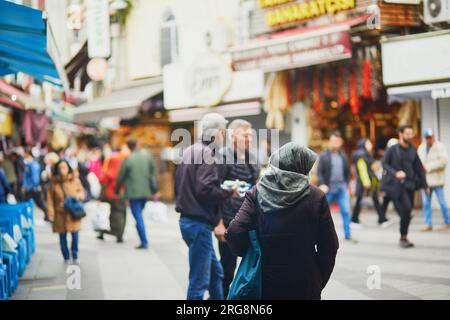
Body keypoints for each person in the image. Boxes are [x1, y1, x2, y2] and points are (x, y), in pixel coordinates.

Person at [226, 143, 339, 300]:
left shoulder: (257, 192)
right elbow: (329, 246)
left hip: (265, 280)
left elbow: (234, 231)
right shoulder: (316, 196)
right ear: (302, 167)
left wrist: (250, 252)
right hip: (305, 282)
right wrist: (318, 279)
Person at [175, 113, 238, 300]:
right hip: (197, 223)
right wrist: (229, 192)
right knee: (199, 282)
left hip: (191, 221)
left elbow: (184, 184)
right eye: (223, 132)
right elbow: (205, 189)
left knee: (216, 274)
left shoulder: (191, 150)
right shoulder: (208, 153)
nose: (224, 135)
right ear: (218, 132)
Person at [215, 119, 259, 298]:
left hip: (249, 220)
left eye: (250, 135)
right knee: (227, 267)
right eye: (244, 135)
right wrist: (218, 224)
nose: (248, 138)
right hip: (227, 220)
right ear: (233, 136)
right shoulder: (222, 158)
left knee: (252, 265)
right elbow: (215, 192)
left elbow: (256, 188)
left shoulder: (252, 158)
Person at [381, 125, 428, 248]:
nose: (410, 136)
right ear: (400, 134)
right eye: (407, 134)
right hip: (396, 186)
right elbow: (384, 164)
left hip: (410, 185)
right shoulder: (393, 149)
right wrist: (395, 173)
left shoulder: (413, 150)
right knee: (406, 209)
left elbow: (419, 169)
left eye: (411, 134)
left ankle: (404, 237)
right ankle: (403, 236)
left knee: (407, 212)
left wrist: (425, 186)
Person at [115, 139, 159, 249]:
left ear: (128, 147)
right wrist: (154, 190)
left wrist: (116, 190)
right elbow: (154, 173)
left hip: (133, 193)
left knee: (138, 217)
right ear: (137, 144)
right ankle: (143, 240)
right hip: (145, 192)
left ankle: (144, 241)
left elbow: (121, 177)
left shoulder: (128, 160)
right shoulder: (147, 157)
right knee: (139, 215)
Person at [317, 132, 356, 242]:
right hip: (328, 188)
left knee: (346, 211)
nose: (334, 143)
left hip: (341, 187)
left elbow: (347, 171)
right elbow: (320, 172)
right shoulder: (324, 155)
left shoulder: (343, 155)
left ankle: (348, 235)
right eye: (333, 140)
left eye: (337, 141)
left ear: (340, 142)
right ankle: (319, 236)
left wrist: (347, 184)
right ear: (329, 141)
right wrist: (322, 184)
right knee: (321, 213)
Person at [46, 160, 85, 263]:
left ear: (68, 168)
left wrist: (77, 197)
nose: (62, 170)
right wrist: (51, 213)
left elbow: (81, 192)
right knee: (62, 237)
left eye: (64, 167)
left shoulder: (75, 180)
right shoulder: (53, 183)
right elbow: (49, 199)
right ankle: (66, 256)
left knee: (75, 235)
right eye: (60, 168)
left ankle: (75, 254)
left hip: (73, 212)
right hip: (60, 214)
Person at [351, 139, 391, 227]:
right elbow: (362, 169)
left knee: (372, 199)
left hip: (368, 181)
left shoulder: (366, 154)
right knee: (359, 200)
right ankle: (354, 220)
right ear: (364, 144)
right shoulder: (361, 154)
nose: (370, 145)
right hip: (364, 182)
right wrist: (366, 182)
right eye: (368, 143)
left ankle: (382, 219)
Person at [417, 129, 450, 231]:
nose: (428, 139)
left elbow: (443, 161)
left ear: (433, 137)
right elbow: (418, 162)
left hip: (437, 180)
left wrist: (429, 167)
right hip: (426, 181)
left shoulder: (440, 147)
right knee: (426, 203)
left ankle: (448, 222)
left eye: (430, 137)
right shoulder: (421, 148)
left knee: (442, 202)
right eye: (427, 137)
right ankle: (428, 224)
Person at [98, 146, 130, 243]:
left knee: (108, 214)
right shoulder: (123, 173)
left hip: (109, 196)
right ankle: (119, 234)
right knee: (121, 214)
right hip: (121, 196)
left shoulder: (107, 172)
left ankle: (103, 232)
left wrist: (100, 198)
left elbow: (103, 183)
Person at [23, 147, 48, 220]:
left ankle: (48, 215)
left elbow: (35, 179)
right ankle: (26, 218)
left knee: (40, 203)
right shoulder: (28, 163)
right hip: (30, 188)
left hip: (33, 189)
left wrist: (28, 187)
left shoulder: (33, 165)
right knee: (26, 204)